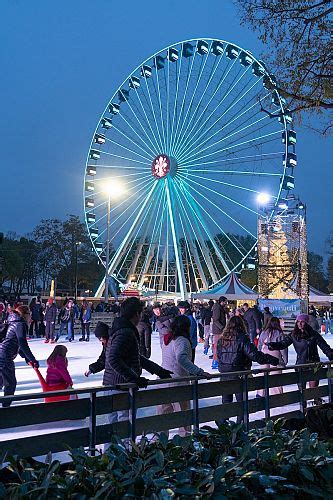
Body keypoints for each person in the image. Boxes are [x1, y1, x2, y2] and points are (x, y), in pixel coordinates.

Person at [103, 297, 173, 424]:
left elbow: (134, 356)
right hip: (121, 386)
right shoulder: (125, 332)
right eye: (140, 313)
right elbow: (113, 359)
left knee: (113, 428)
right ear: (136, 314)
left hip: (114, 383)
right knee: (124, 426)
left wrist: (158, 370)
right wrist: (134, 378)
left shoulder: (121, 328)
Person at [158, 315, 212, 436]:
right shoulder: (181, 340)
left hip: (163, 382)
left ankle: (160, 445)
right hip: (178, 383)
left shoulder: (168, 339)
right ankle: (185, 445)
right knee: (184, 418)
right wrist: (198, 371)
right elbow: (181, 358)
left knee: (162, 418)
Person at [216, 316, 278, 421]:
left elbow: (219, 356)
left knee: (226, 405)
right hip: (239, 374)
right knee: (242, 406)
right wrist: (272, 359)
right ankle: (241, 430)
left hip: (224, 375)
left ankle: (224, 432)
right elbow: (254, 355)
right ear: (242, 325)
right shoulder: (242, 338)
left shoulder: (222, 339)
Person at [267, 314, 333, 394]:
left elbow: (324, 347)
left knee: (313, 390)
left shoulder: (313, 334)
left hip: (314, 364)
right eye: (298, 321)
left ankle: (316, 402)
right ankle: (304, 405)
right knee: (302, 391)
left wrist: (331, 356)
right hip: (301, 364)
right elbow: (283, 343)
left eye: (302, 322)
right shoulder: (293, 335)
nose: (299, 324)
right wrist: (273, 345)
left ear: (307, 323)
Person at [0, 305, 39, 407]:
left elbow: (17, 344)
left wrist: (26, 358)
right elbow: (22, 343)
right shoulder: (20, 324)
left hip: (2, 355)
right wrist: (33, 359)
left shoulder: (12, 321)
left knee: (2, 382)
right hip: (5, 357)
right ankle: (5, 408)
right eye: (29, 313)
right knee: (10, 383)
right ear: (24, 314)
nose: (30, 316)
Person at [257, 316, 288, 397]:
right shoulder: (280, 334)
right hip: (275, 355)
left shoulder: (263, 332)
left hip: (264, 354)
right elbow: (283, 348)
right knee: (275, 378)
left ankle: (260, 395)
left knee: (262, 376)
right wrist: (285, 360)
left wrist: (260, 354)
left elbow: (259, 345)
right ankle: (277, 397)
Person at [211, 296, 228, 369]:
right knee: (217, 346)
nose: (226, 303)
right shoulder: (217, 308)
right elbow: (216, 319)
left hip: (219, 330)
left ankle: (217, 360)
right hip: (218, 330)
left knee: (219, 345)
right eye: (225, 302)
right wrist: (222, 328)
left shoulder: (220, 307)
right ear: (222, 301)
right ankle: (215, 361)